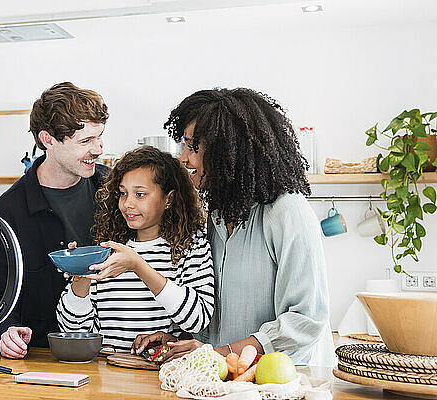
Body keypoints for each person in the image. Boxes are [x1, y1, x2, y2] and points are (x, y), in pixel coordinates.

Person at [132, 88, 334, 366]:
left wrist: (219, 353)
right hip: (227, 380)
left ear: (227, 153)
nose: (184, 159)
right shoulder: (214, 215)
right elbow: (217, 315)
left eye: (194, 148)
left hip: (285, 381)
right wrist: (180, 341)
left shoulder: (286, 212)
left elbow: (304, 321)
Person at [0, 82, 109, 359]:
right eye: (85, 141)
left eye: (99, 137)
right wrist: (5, 332)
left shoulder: (116, 190)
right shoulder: (5, 213)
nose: (98, 149)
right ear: (48, 140)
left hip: (116, 354)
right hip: (43, 360)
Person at [56, 146, 214, 351]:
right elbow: (72, 329)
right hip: (106, 375)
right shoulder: (108, 250)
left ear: (169, 198)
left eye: (140, 194)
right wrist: (81, 274)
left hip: (159, 376)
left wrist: (138, 265)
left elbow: (198, 319)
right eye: (123, 193)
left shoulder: (191, 246)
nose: (127, 203)